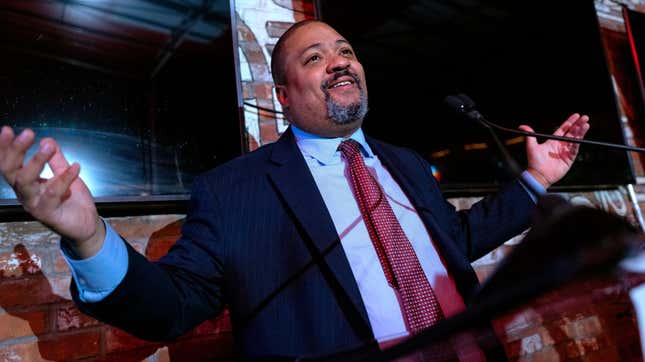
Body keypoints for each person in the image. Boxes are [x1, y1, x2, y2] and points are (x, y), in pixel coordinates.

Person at [0, 19, 589, 359]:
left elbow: (454, 240)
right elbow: (172, 309)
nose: (340, 62)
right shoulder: (235, 191)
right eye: (315, 57)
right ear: (283, 96)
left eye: (346, 52)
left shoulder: (406, 163)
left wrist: (536, 179)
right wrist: (89, 238)